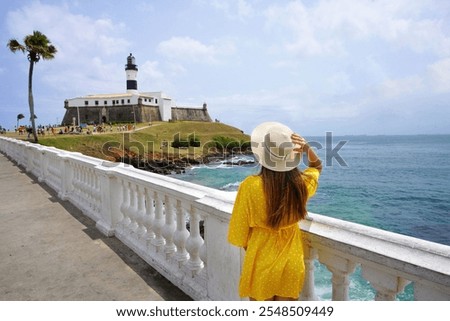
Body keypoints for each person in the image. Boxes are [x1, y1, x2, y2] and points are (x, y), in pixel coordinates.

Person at [227, 121, 322, 301]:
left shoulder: (250, 187)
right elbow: (317, 167)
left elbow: (239, 233)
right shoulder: (300, 184)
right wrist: (307, 147)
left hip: (261, 258)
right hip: (291, 261)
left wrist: (255, 248)